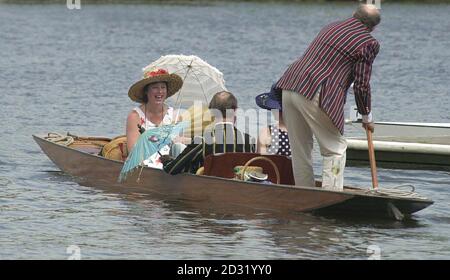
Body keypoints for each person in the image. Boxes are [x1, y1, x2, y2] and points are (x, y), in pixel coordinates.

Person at [276, 4, 381, 191]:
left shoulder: (331, 26)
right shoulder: (369, 43)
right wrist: (366, 116)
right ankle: (330, 196)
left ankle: (304, 195)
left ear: (354, 15)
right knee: (335, 148)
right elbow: (361, 84)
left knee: (300, 150)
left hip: (290, 84)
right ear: (373, 27)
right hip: (315, 91)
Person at [163, 91, 256, 175]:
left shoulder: (203, 140)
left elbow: (172, 169)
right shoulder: (249, 141)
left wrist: (166, 161)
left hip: (207, 189)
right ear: (235, 110)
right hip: (239, 190)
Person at [126, 68, 183, 168]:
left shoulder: (175, 115)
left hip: (169, 166)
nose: (160, 91)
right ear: (146, 91)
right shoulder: (135, 116)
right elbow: (133, 151)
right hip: (144, 166)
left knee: (180, 148)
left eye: (163, 87)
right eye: (155, 88)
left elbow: (178, 147)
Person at [255, 84, 291, 157]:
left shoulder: (267, 133)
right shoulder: (300, 133)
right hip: (294, 168)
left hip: (273, 168)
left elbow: (261, 162)